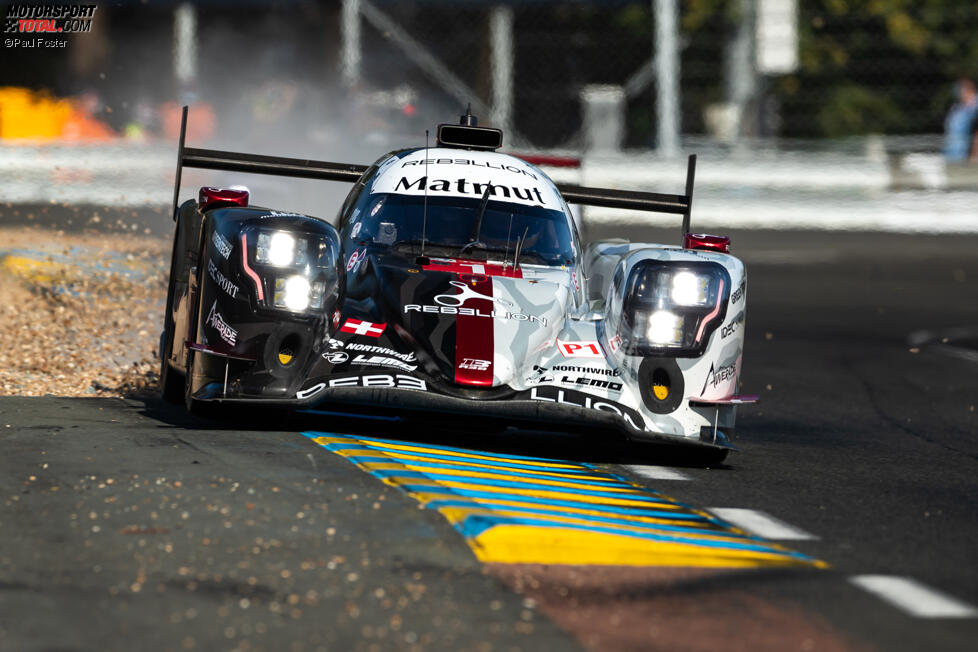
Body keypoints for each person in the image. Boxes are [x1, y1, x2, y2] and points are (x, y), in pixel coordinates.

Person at [943, 77, 978, 162]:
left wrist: (974, 155)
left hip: (968, 154)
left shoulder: (975, 106)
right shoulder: (957, 108)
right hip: (953, 153)